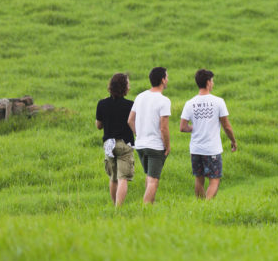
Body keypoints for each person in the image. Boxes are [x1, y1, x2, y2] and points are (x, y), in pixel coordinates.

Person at [179, 69, 237, 200]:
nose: (213, 83)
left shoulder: (190, 103)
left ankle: (200, 207)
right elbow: (226, 126)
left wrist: (194, 128)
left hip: (195, 148)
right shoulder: (218, 102)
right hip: (212, 149)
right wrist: (233, 141)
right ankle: (207, 205)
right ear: (208, 82)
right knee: (214, 180)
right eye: (212, 80)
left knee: (199, 179)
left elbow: (182, 127)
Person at [128, 67, 171, 204]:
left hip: (140, 145)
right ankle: (145, 210)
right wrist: (168, 146)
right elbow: (163, 127)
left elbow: (130, 120)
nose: (168, 79)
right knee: (153, 181)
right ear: (163, 80)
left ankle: (149, 209)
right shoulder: (164, 101)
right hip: (155, 146)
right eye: (167, 77)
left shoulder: (140, 96)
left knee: (149, 177)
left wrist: (138, 134)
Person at [96, 73, 135, 207]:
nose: (129, 86)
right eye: (128, 84)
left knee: (113, 178)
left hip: (109, 145)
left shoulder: (102, 104)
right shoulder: (131, 105)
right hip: (125, 144)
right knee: (123, 178)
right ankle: (119, 208)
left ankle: (114, 206)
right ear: (124, 87)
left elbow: (98, 125)